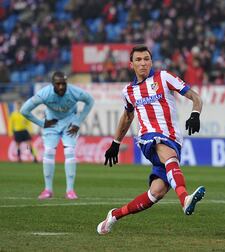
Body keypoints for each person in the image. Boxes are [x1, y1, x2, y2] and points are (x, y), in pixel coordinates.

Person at [97, 45, 205, 235]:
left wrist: (195, 114)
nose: (143, 63)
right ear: (131, 64)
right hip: (149, 138)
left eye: (146, 59)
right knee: (168, 155)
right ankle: (185, 199)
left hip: (173, 138)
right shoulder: (128, 91)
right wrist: (116, 142)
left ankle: (114, 215)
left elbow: (194, 96)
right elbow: (128, 117)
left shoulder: (164, 77)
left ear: (151, 61)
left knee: (156, 193)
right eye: (138, 60)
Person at [20, 71, 94, 200]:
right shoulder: (45, 93)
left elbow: (90, 101)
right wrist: (42, 123)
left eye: (63, 84)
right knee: (48, 152)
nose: (61, 87)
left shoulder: (74, 91)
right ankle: (48, 190)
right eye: (58, 84)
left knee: (70, 152)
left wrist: (78, 121)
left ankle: (70, 191)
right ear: (53, 84)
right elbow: (24, 110)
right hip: (52, 123)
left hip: (70, 122)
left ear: (67, 83)